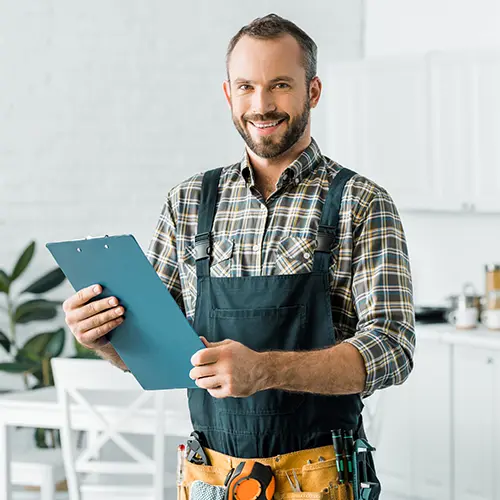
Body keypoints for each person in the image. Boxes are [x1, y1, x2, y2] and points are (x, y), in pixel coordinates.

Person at [63, 13, 415, 499]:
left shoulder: (361, 201)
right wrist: (102, 337)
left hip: (321, 477)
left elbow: (394, 349)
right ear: (229, 94)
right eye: (246, 86)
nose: (262, 105)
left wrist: (266, 370)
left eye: (280, 85)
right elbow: (153, 350)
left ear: (312, 92)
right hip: (211, 478)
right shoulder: (187, 202)